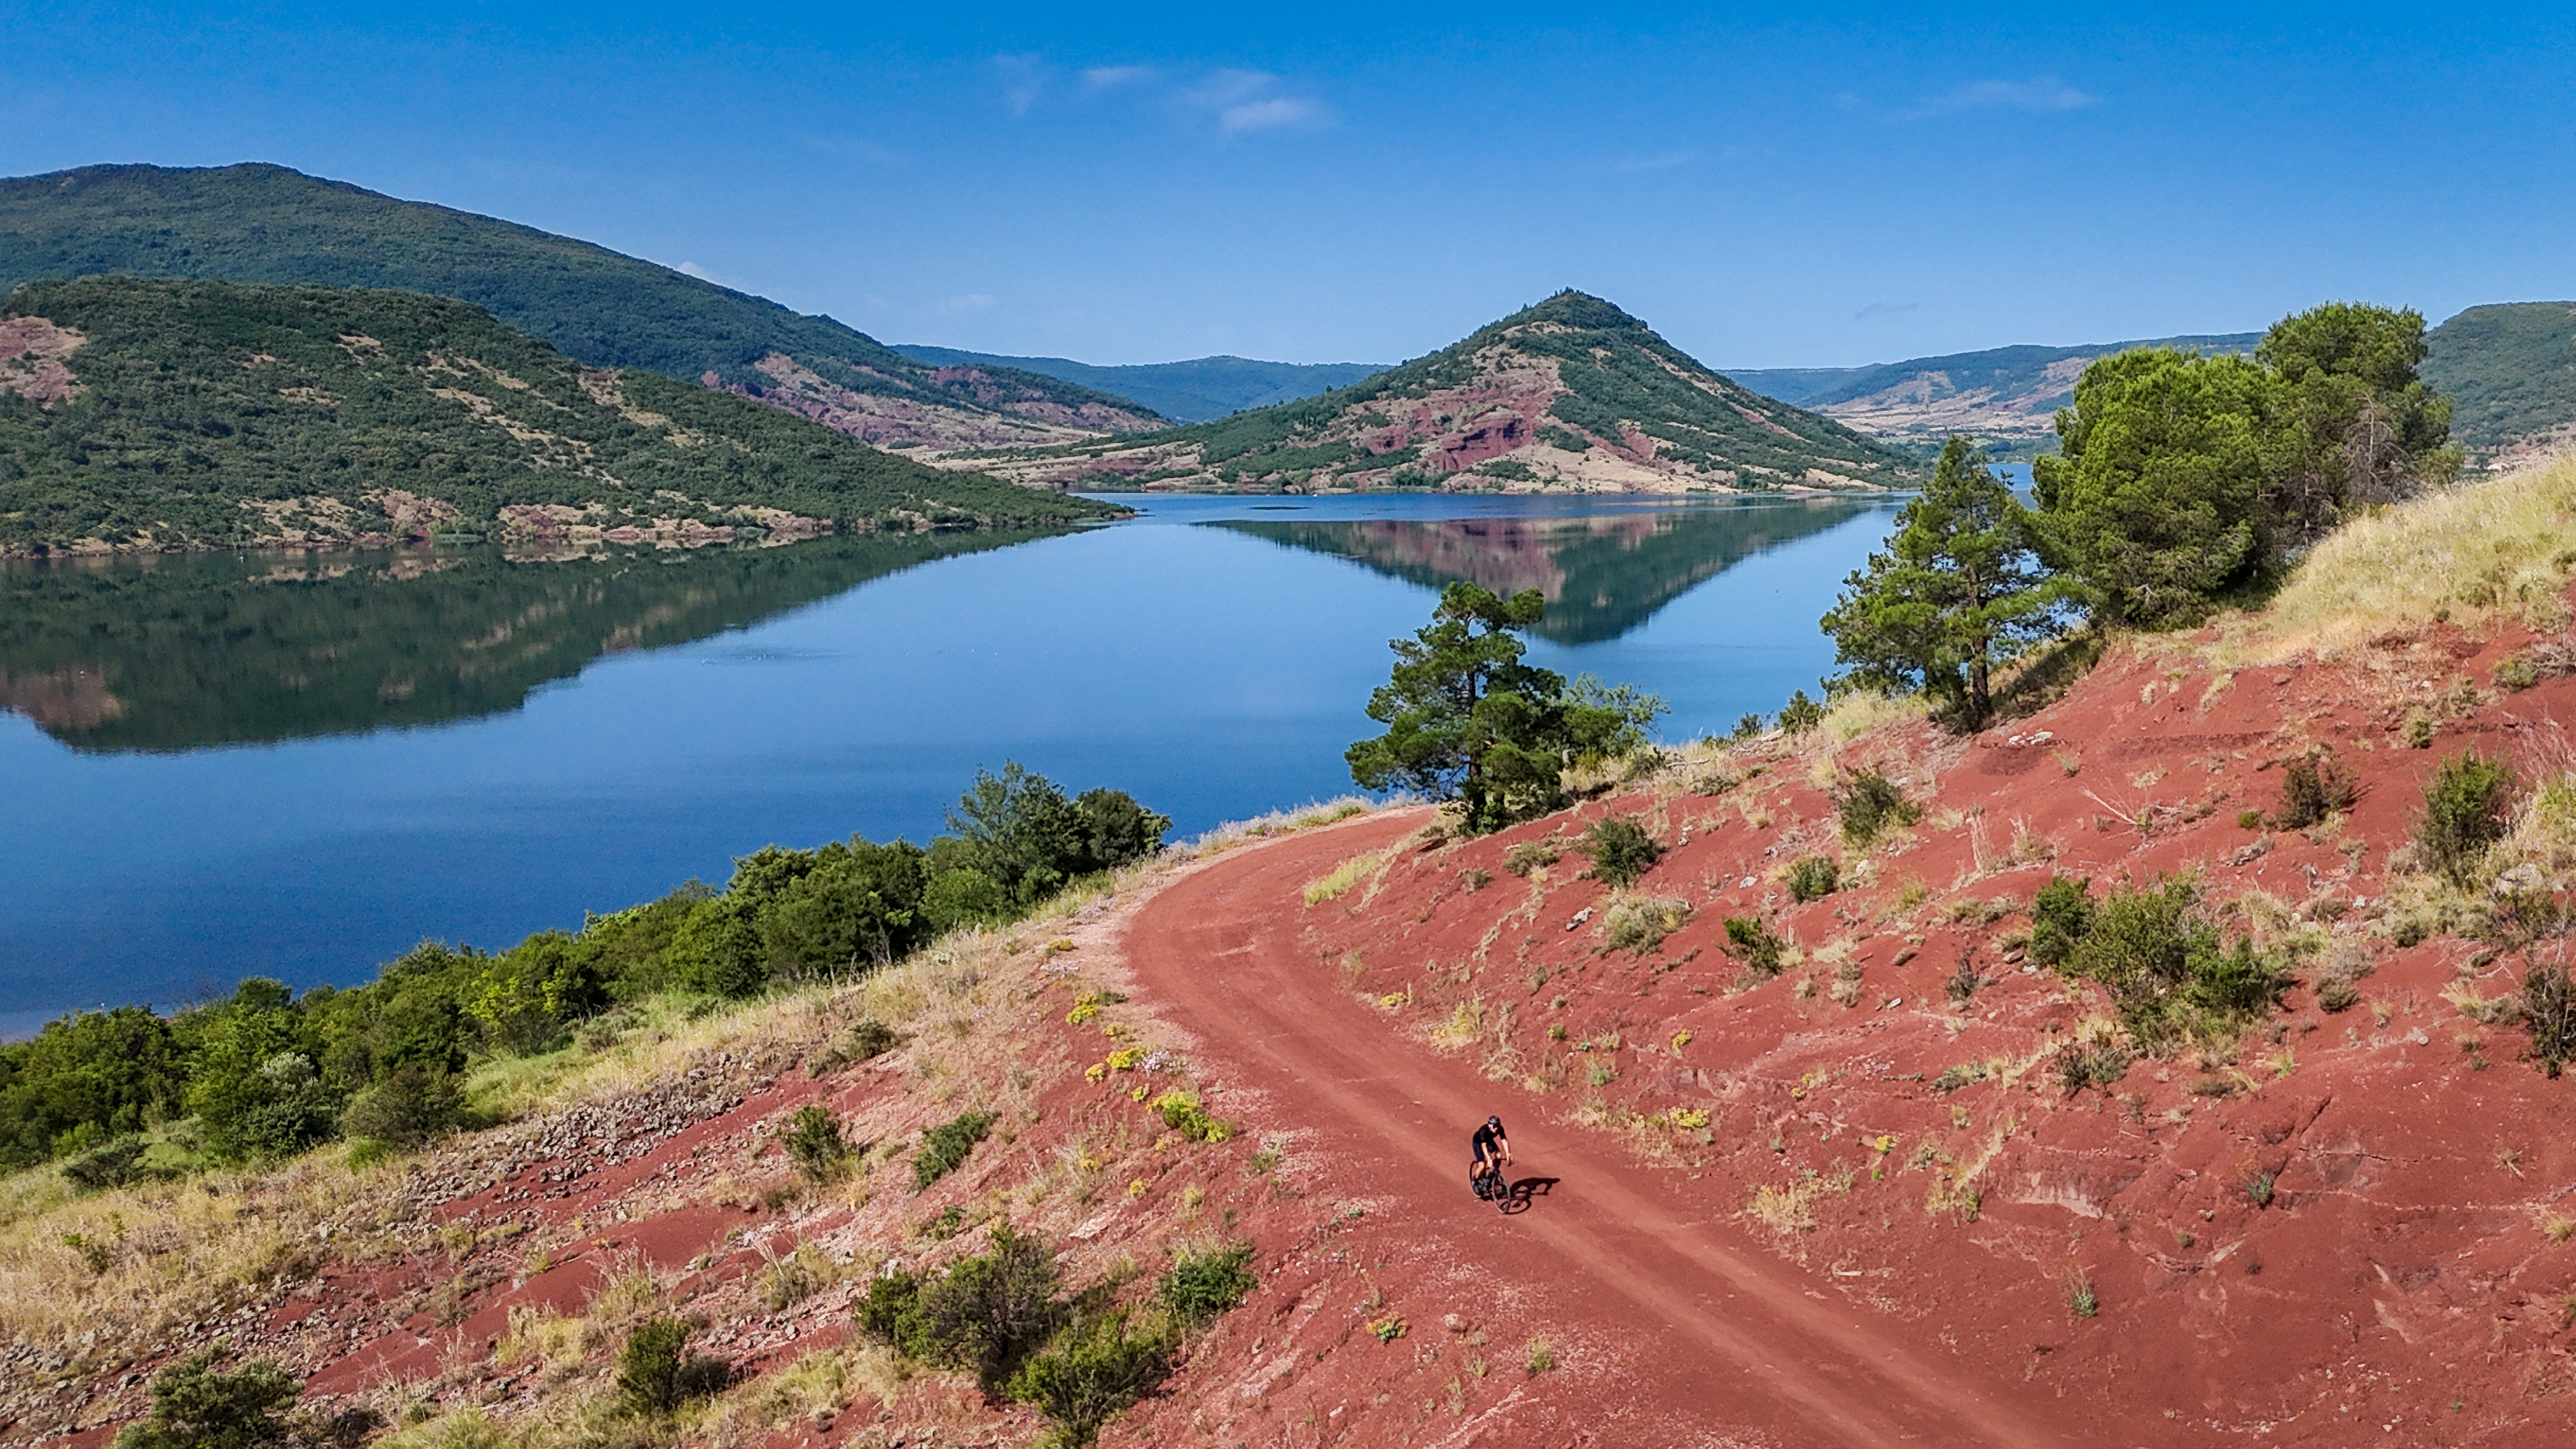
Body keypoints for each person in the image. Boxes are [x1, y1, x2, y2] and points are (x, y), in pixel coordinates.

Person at [1469, 1114, 1512, 1206]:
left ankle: (1494, 1173)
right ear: (1489, 1125)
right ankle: (1475, 1181)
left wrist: (1508, 1153)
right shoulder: (1483, 1131)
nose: (1496, 1128)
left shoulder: (1500, 1128)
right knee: (1482, 1165)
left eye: (1497, 1125)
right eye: (1494, 1126)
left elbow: (1504, 1140)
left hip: (1489, 1141)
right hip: (1478, 1143)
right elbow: (1484, 1146)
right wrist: (1488, 1158)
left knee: (1499, 1155)